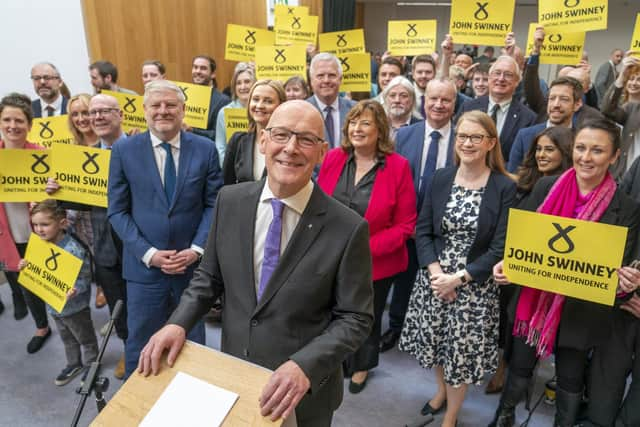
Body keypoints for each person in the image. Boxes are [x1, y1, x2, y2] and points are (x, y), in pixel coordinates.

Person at [138, 100, 374, 427]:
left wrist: (304, 365)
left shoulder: (348, 227)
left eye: (305, 139)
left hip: (303, 393)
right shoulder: (230, 201)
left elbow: (355, 318)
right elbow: (208, 279)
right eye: (281, 135)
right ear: (263, 140)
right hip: (235, 374)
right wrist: (177, 323)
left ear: (322, 152)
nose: (290, 148)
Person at [489, 118, 640, 427]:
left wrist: (626, 285)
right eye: (581, 148)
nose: (586, 157)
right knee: (519, 364)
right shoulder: (546, 186)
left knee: (571, 378)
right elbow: (520, 243)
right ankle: (504, 416)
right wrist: (507, 265)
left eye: (597, 150)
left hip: (582, 310)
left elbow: (620, 272)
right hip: (535, 299)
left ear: (614, 157)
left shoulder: (626, 208)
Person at [399, 110, 516, 427]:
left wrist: (458, 279)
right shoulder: (440, 178)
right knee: (437, 346)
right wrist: (437, 275)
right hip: (434, 281)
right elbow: (422, 231)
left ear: (490, 142)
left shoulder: (504, 187)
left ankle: (450, 417)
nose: (467, 142)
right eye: (462, 136)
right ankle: (440, 393)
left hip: (473, 289)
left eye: (476, 137)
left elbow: (499, 247)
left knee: (459, 358)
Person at [107, 80, 223, 378]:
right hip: (144, 270)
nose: (163, 111)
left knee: (192, 343)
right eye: (155, 105)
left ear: (183, 110)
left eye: (171, 105)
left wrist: (197, 250)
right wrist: (149, 254)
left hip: (191, 271)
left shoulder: (206, 150)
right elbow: (117, 211)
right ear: (144, 110)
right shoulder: (123, 151)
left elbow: (214, 204)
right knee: (140, 344)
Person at [317, 100, 416, 393]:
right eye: (353, 122)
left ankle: (361, 365)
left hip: (377, 261)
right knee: (333, 311)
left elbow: (406, 224)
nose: (357, 129)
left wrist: (361, 249)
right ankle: (336, 360)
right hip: (331, 255)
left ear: (380, 129)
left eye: (366, 123)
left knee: (365, 317)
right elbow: (319, 204)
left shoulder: (398, 167)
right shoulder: (335, 157)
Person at [486, 126, 574, 394]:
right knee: (505, 321)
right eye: (539, 149)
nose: (542, 155)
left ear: (565, 152)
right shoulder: (524, 180)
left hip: (542, 273)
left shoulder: (567, 188)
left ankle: (510, 373)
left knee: (520, 329)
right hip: (510, 264)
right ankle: (503, 366)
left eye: (550, 149)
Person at [381, 78, 457, 353]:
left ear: (454, 104)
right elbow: (391, 181)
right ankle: (397, 328)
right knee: (403, 281)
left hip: (444, 230)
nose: (438, 104)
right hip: (406, 226)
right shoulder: (404, 135)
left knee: (437, 285)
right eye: (433, 99)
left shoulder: (462, 138)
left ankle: (432, 338)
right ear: (423, 102)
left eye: (445, 100)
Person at [19, 200, 98, 386]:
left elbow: (86, 279)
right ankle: (73, 364)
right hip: (53, 306)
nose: (39, 229)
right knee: (67, 338)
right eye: (35, 225)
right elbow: (37, 270)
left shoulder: (75, 250)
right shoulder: (39, 244)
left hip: (75, 308)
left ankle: (91, 365)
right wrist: (25, 266)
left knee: (85, 338)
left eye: (44, 224)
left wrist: (75, 290)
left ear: (62, 223)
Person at [0, 93, 51, 351]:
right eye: (7, 119)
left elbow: (55, 201)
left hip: (38, 233)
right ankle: (42, 326)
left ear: (29, 125)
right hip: (7, 235)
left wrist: (52, 188)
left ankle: (67, 327)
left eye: (19, 120)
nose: (12, 126)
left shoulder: (41, 155)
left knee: (45, 281)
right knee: (23, 282)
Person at [456, 55, 537, 162]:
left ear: (517, 81)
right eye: (497, 73)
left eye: (508, 75)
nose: (501, 78)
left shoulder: (528, 118)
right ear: (489, 78)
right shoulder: (468, 107)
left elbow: (524, 159)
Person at [65, 93, 104, 308]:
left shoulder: (109, 143)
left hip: (105, 217)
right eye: (75, 114)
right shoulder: (69, 150)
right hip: (81, 222)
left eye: (85, 112)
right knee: (92, 259)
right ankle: (100, 286)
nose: (81, 119)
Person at [507, 77, 585, 172]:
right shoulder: (525, 136)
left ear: (577, 104)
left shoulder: (582, 139)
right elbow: (513, 176)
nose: (556, 104)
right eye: (552, 98)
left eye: (564, 99)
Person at [223, 80, 286, 185]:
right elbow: (226, 185)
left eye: (268, 101)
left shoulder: (288, 144)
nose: (260, 105)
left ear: (281, 105)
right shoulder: (237, 141)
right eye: (256, 99)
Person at [601, 55, 640, 179]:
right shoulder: (627, 107)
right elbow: (607, 109)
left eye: (639, 79)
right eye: (631, 79)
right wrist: (622, 76)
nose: (634, 83)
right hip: (620, 172)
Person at [307, 52, 356, 148]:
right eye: (320, 76)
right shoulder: (301, 110)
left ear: (340, 79)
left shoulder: (355, 110)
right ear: (311, 80)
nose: (326, 80)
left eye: (332, 75)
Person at [214, 62, 256, 165]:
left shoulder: (261, 110)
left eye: (247, 82)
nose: (242, 87)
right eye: (238, 83)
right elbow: (220, 147)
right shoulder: (224, 112)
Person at [190, 55, 231, 141]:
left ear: (213, 74)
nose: (198, 71)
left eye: (203, 68)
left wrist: (192, 130)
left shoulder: (223, 100)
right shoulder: (183, 96)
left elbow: (220, 135)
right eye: (195, 67)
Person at [411, 55, 437, 119]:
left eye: (428, 72)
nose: (424, 76)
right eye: (419, 72)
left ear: (434, 74)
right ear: (413, 74)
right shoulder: (405, 93)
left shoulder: (440, 94)